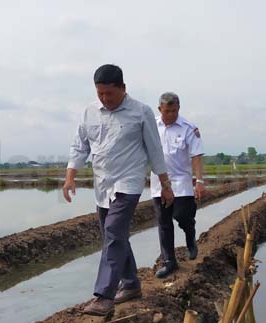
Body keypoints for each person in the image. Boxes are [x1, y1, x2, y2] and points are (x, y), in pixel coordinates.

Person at [63, 64, 175, 316]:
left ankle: (104, 295)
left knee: (114, 230)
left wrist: (166, 185)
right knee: (114, 236)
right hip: (102, 185)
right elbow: (80, 146)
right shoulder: (90, 112)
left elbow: (156, 152)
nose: (104, 98)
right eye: (100, 93)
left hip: (129, 183)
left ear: (123, 89)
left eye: (109, 93)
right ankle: (132, 284)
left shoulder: (141, 112)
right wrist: (70, 177)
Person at [150, 92, 205, 278]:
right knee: (164, 222)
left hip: (181, 182)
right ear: (160, 109)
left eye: (174, 111)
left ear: (179, 108)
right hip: (159, 183)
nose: (171, 115)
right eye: (167, 111)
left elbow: (196, 155)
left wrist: (199, 181)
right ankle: (169, 261)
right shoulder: (151, 126)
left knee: (182, 216)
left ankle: (190, 236)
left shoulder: (189, 128)